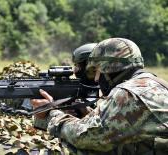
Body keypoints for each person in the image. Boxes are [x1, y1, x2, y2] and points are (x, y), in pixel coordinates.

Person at [31, 38, 168, 154]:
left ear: (108, 68)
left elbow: (86, 138)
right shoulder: (155, 84)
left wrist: (50, 114)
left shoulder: (128, 94)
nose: (96, 79)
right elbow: (119, 124)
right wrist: (86, 113)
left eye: (95, 71)